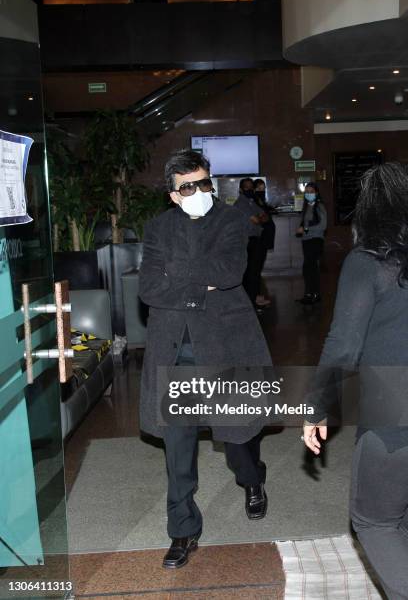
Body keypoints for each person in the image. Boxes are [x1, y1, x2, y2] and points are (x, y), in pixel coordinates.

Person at [138, 150, 272, 570]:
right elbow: (147, 288)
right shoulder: (158, 227)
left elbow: (230, 270)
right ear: (174, 195)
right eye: (189, 187)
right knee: (178, 448)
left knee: (236, 439)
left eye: (205, 183)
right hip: (175, 350)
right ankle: (182, 530)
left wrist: (176, 274)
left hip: (225, 344)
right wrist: (198, 286)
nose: (200, 192)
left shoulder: (231, 220)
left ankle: (252, 480)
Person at [303, 162, 408, 600]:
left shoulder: (366, 264)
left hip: (394, 411)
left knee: (375, 520)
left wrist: (317, 408)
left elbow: (343, 344)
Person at [234, 177, 267, 309]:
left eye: (251, 187)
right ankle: (250, 303)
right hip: (247, 241)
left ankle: (254, 299)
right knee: (250, 273)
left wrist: (260, 218)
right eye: (246, 187)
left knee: (255, 271)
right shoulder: (241, 203)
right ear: (241, 190)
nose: (250, 189)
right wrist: (260, 218)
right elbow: (257, 220)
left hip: (255, 240)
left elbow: (265, 216)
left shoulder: (251, 202)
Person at [295, 182, 327, 304]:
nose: (309, 194)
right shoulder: (307, 206)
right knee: (307, 268)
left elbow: (323, 226)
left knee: (311, 268)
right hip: (306, 241)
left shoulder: (319, 206)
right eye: (307, 192)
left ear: (316, 193)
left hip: (316, 240)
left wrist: (306, 229)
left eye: (311, 191)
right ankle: (309, 294)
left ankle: (315, 294)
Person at [253, 178, 276, 307]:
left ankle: (257, 295)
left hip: (264, 240)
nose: (261, 191)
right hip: (259, 240)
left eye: (263, 189)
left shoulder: (260, 201)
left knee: (258, 268)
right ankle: (256, 296)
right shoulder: (254, 202)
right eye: (259, 189)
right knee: (256, 269)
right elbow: (260, 218)